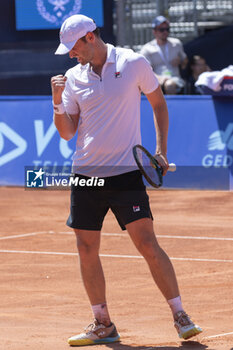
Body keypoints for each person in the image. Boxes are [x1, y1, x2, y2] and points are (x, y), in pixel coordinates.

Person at [51, 14, 202, 346]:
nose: (71, 55)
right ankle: (103, 323)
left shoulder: (133, 62)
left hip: (125, 174)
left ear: (90, 37)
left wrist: (160, 149)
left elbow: (158, 104)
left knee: (147, 243)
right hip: (86, 175)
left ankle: (180, 315)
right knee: (86, 247)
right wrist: (57, 104)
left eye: (73, 47)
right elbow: (67, 134)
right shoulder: (73, 78)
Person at [140, 16, 188, 95]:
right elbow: (146, 70)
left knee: (169, 85)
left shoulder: (176, 43)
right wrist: (160, 79)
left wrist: (180, 61)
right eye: (161, 30)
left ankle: (171, 107)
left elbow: (185, 61)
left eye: (167, 29)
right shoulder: (147, 49)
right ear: (154, 31)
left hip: (175, 79)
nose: (165, 32)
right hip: (155, 79)